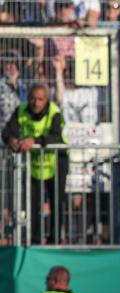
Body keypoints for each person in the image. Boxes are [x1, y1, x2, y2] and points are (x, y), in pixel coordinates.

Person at [2, 83, 68, 245]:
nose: (36, 103)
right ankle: (35, 241)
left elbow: (57, 137)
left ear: (47, 100)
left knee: (56, 204)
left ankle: (55, 241)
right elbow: (7, 131)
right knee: (33, 206)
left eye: (40, 99)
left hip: (55, 162)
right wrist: (11, 140)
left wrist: (35, 141)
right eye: (32, 98)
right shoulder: (21, 110)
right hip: (34, 166)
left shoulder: (55, 112)